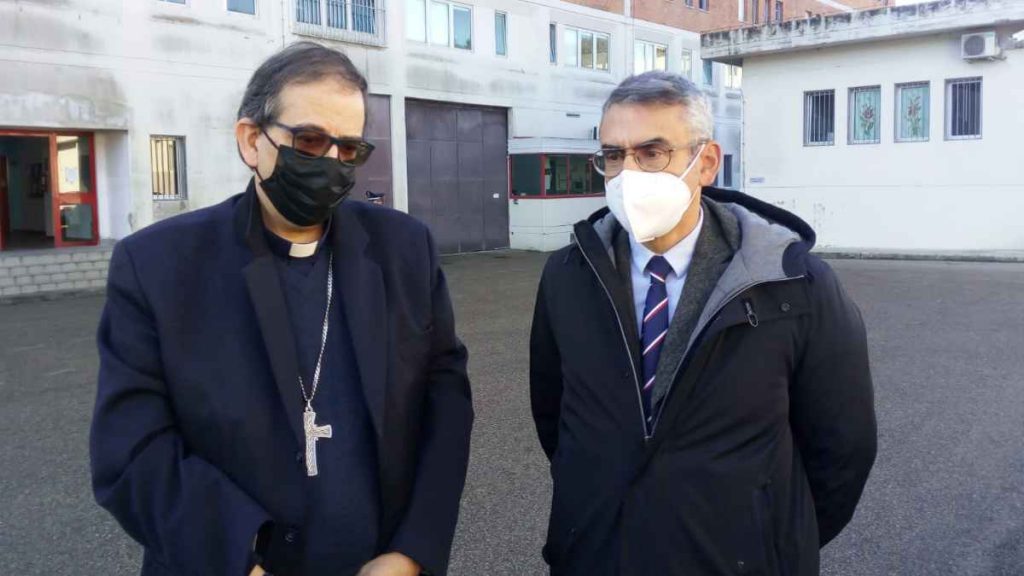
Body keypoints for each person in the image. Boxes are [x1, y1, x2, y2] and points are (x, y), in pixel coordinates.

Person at [90, 42, 474, 576]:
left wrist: (412, 551)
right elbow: (131, 449)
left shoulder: (404, 250)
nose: (333, 164)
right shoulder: (159, 266)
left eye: (351, 150)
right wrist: (236, 560)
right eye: (312, 141)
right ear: (252, 140)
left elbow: (446, 398)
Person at [529, 71, 877, 575]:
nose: (628, 175)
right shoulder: (568, 276)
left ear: (706, 162)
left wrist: (773, 540)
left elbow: (842, 447)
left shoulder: (791, 283)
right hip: (598, 554)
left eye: (651, 152)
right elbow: (555, 416)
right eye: (613, 155)